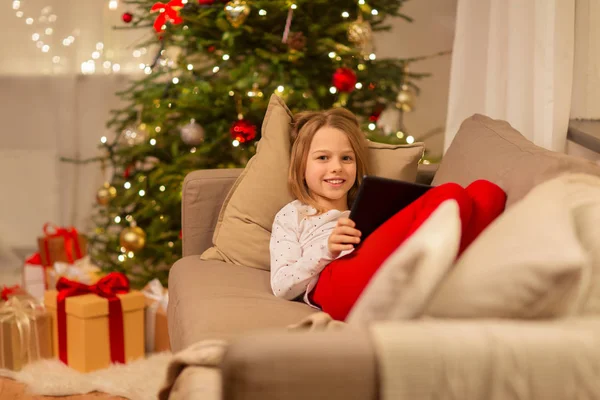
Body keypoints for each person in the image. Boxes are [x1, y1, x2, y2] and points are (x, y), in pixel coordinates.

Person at [270, 108, 506, 321]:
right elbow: (282, 286)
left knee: (488, 193)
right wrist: (327, 250)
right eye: (323, 157)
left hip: (382, 266)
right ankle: (426, 294)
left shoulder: (366, 206)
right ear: (301, 166)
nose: (336, 167)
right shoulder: (294, 214)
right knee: (450, 194)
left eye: (346, 158)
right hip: (333, 281)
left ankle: (433, 293)